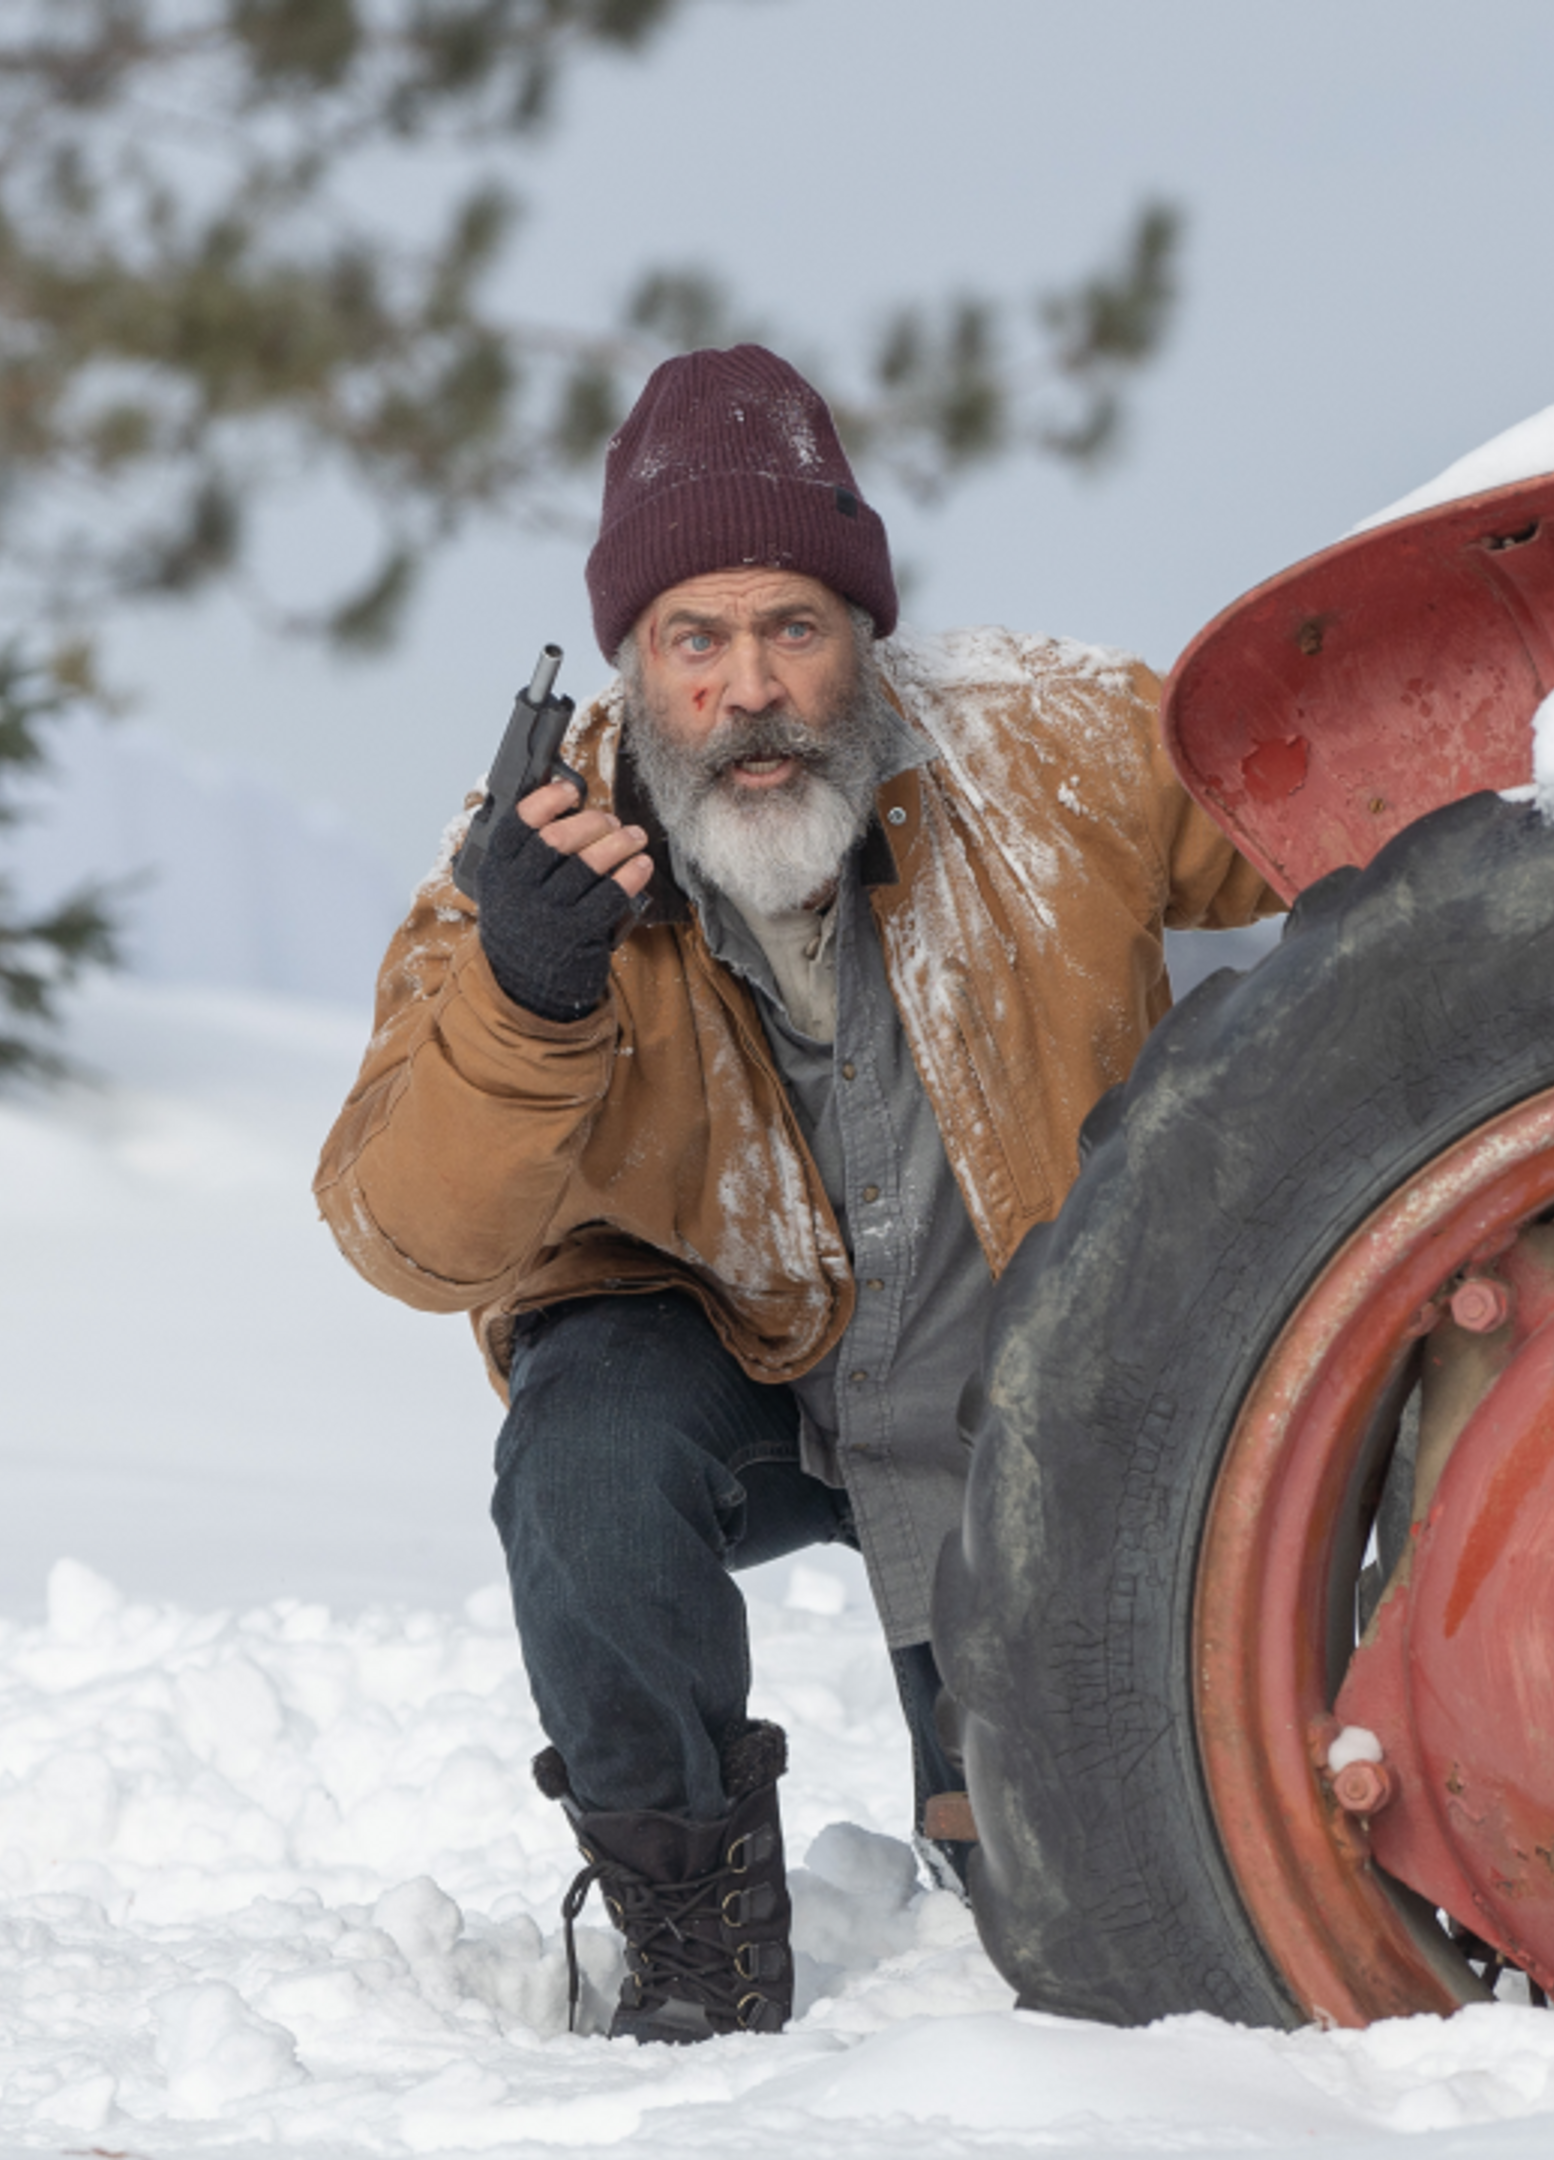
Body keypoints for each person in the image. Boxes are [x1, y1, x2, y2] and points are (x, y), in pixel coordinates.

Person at [313, 344, 1279, 2042]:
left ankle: (1000, 1786)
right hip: (723, 1362)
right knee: (583, 1456)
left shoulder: (1058, 744)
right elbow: (405, 1231)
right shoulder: (522, 866)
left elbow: (1318, 799)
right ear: (632, 663)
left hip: (1018, 1368)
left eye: (795, 628)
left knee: (1065, 1916)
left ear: (865, 640)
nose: (751, 689)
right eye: (698, 639)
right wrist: (532, 994)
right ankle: (687, 1919)